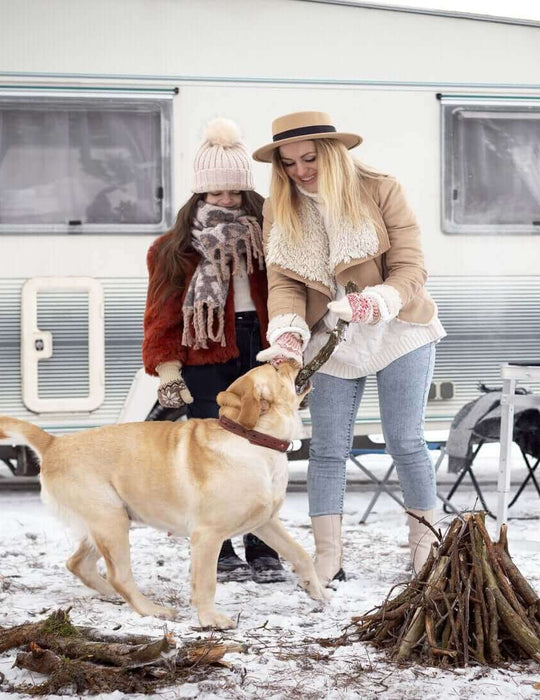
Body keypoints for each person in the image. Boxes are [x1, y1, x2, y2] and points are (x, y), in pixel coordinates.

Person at [251, 111, 446, 585]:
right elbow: (284, 281)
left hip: (397, 327)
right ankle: (328, 558)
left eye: (309, 158)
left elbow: (410, 265)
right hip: (332, 339)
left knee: (405, 440)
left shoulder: (380, 188)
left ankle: (426, 551)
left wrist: (374, 301)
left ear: (332, 152)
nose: (300, 170)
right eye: (289, 162)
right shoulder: (282, 205)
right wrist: (290, 334)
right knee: (327, 450)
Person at [142, 118, 286, 584]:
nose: (226, 201)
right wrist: (168, 373)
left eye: (234, 192)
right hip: (204, 351)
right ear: (199, 195)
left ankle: (263, 543)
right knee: (213, 452)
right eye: (215, 193)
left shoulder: (272, 235)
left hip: (261, 347)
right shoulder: (172, 248)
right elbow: (162, 315)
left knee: (264, 446)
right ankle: (219, 545)